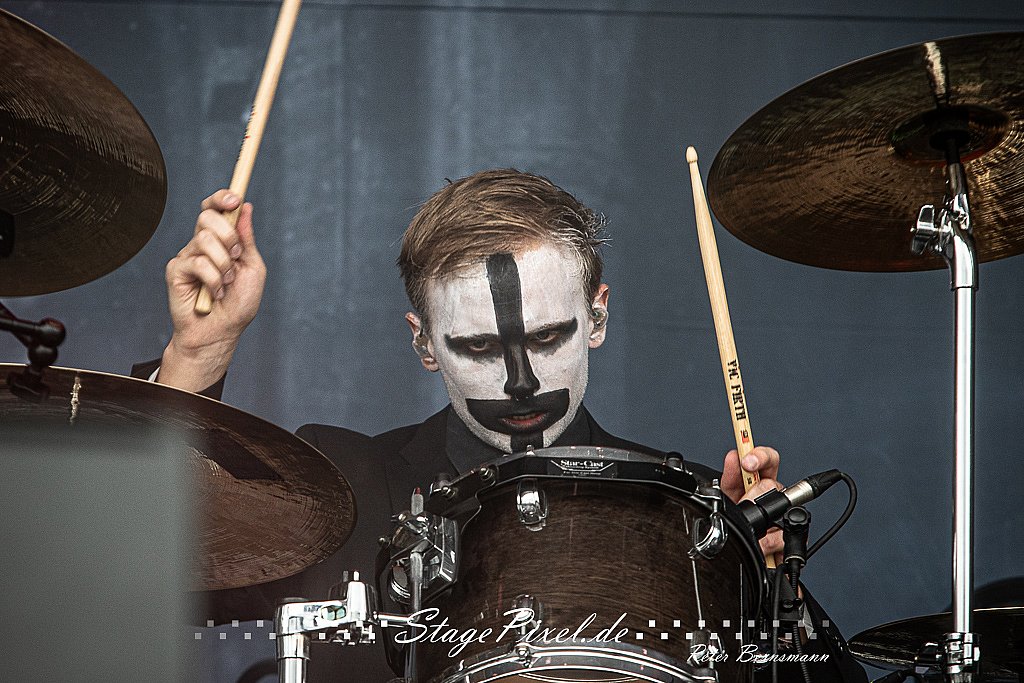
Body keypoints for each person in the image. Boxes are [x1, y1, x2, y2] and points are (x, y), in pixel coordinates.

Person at [138, 169, 866, 682]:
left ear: (597, 317)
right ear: (425, 344)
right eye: (480, 347)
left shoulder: (696, 514)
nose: (523, 382)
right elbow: (145, 573)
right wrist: (199, 352)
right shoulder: (333, 487)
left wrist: (772, 586)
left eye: (548, 337)